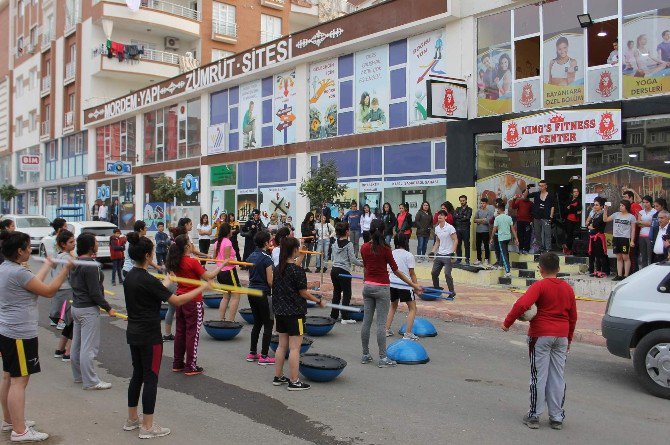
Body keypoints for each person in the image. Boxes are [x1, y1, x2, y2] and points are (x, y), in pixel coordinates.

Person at [122, 232, 210, 439]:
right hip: (149, 336)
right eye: (151, 252)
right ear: (146, 255)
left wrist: (168, 282)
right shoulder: (147, 279)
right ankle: (148, 426)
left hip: (134, 333)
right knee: (150, 378)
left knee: (137, 375)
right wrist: (202, 286)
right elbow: (176, 301)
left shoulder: (131, 278)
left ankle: (132, 419)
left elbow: (153, 294)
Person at [0, 231, 73, 442]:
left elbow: (34, 284)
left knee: (9, 377)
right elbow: (49, 291)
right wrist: (65, 269)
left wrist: (48, 265)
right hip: (20, 334)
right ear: (19, 251)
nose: (30, 250)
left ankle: (11, 421)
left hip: (7, 331)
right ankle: (20, 430)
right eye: (27, 247)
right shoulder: (18, 273)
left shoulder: (7, 268)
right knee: (19, 382)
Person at [502, 252, 577, 431]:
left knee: (539, 376)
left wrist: (507, 323)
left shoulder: (539, 286)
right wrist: (569, 339)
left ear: (540, 269)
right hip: (562, 335)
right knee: (557, 376)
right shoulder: (568, 289)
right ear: (558, 269)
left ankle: (534, 415)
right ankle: (557, 417)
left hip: (541, 335)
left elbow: (521, 305)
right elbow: (573, 317)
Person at [360, 220, 421, 368]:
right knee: (381, 325)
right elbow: (396, 271)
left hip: (367, 287)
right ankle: (382, 358)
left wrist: (366, 281)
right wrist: (412, 284)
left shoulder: (364, 247)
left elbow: (366, 268)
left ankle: (365, 355)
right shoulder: (385, 249)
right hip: (381, 288)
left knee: (366, 322)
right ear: (382, 231)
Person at [272, 237, 326, 390]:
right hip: (295, 313)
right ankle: (294, 381)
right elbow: (303, 293)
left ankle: (278, 376)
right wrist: (318, 301)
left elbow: (291, 270)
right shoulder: (297, 271)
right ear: (294, 250)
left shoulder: (278, 268)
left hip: (280, 312)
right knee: (295, 348)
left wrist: (299, 255)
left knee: (282, 346)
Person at [166, 234, 224, 376]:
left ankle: (178, 363)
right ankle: (191, 366)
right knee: (192, 333)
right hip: (193, 301)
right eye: (191, 243)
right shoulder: (191, 262)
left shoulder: (177, 260)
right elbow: (209, 276)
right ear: (187, 246)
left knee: (181, 332)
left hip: (181, 299)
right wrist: (222, 264)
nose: (193, 246)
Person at [70, 233, 116, 390]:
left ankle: (78, 376)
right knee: (88, 347)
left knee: (77, 345)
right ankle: (90, 381)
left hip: (76, 307)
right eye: (96, 241)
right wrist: (108, 308)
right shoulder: (91, 265)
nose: (97, 243)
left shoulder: (75, 263)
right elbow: (95, 293)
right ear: (91, 247)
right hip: (88, 309)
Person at [245, 231, 275, 366]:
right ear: (266, 243)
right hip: (263, 293)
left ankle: (252, 353)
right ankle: (264, 356)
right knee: (269, 323)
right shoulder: (267, 258)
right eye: (270, 240)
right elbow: (270, 281)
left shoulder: (251, 256)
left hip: (251, 291)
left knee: (257, 322)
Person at [384, 233, 419, 340]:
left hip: (392, 284)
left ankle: (386, 329)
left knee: (393, 306)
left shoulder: (391, 253)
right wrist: (416, 287)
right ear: (406, 242)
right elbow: (412, 273)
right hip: (405, 285)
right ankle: (408, 334)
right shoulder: (409, 255)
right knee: (413, 308)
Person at [330, 222, 363, 324]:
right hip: (344, 271)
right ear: (347, 232)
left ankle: (333, 315)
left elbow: (332, 257)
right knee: (347, 294)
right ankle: (345, 317)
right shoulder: (349, 244)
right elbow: (353, 260)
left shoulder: (335, 243)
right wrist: (363, 264)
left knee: (336, 293)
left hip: (334, 270)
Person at [50, 229, 76, 361]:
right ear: (63, 244)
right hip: (67, 292)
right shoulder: (67, 258)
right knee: (74, 322)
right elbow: (73, 277)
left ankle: (60, 349)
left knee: (69, 323)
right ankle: (68, 353)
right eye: (71, 242)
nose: (74, 244)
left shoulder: (57, 256)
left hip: (58, 292)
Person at [603, 200, 636, 281]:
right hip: (616, 238)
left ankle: (626, 275)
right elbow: (605, 220)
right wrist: (605, 210)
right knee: (618, 257)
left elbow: (633, 229)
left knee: (625, 257)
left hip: (625, 239)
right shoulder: (616, 214)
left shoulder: (631, 217)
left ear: (626, 207)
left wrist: (632, 240)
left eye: (622, 205)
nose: (620, 207)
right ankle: (619, 275)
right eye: (620, 205)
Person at [429, 210, 458, 297]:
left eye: (442, 215)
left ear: (445, 217)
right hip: (439, 254)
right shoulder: (437, 228)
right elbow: (437, 241)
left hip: (448, 255)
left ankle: (452, 292)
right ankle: (437, 290)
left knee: (447, 274)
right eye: (439, 215)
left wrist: (453, 252)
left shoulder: (450, 228)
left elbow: (455, 240)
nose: (439, 216)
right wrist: (432, 251)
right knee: (434, 273)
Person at [212, 223, 237, 321]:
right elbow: (227, 260)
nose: (232, 231)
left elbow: (214, 258)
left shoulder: (217, 242)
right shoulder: (227, 242)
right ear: (227, 231)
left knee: (226, 297)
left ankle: (222, 319)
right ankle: (231, 321)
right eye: (230, 229)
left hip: (220, 272)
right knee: (236, 296)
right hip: (229, 272)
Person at [524, 181, 554, 253]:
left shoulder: (550, 195)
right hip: (537, 217)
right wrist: (527, 189)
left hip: (546, 217)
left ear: (546, 186)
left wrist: (551, 217)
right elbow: (525, 196)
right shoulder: (537, 194)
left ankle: (548, 248)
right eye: (540, 186)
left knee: (547, 233)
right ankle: (540, 247)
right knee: (537, 233)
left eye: (542, 186)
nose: (541, 187)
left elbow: (553, 206)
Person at [491, 202, 519, 278]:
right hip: (508, 238)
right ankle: (500, 265)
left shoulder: (497, 218)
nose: (497, 210)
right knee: (505, 252)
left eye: (497, 209)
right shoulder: (509, 217)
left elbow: (494, 229)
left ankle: (508, 271)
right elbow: (513, 229)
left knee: (503, 254)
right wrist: (516, 239)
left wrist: (491, 238)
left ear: (499, 209)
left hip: (501, 238)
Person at [586, 197, 609, 278]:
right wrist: (589, 226)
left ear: (602, 206)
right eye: (594, 205)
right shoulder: (594, 214)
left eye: (597, 205)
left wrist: (591, 226)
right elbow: (588, 224)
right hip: (593, 236)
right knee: (593, 253)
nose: (595, 206)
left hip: (599, 236)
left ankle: (604, 271)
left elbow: (596, 225)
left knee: (601, 254)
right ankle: (596, 270)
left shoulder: (603, 214)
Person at [636, 196, 657, 269]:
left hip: (650, 235)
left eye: (647, 202)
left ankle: (651, 270)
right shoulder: (641, 212)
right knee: (643, 255)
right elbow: (638, 223)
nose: (645, 204)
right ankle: (643, 270)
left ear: (650, 202)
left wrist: (643, 223)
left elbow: (653, 224)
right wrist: (647, 223)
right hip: (641, 235)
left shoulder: (654, 211)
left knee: (650, 255)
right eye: (643, 202)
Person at [474, 197, 494, 266]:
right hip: (478, 231)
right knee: (478, 245)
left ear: (487, 204)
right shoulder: (478, 211)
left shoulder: (489, 212)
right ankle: (479, 259)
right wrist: (482, 219)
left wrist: (479, 220)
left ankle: (486, 259)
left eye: (484, 203)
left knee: (486, 245)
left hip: (485, 231)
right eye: (481, 203)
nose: (482, 204)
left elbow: (487, 221)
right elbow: (474, 220)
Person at [454, 195, 472, 264]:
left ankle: (467, 259)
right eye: (461, 201)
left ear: (466, 200)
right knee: (458, 244)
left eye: (463, 200)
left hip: (466, 229)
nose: (462, 202)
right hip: (458, 229)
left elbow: (467, 218)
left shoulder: (469, 209)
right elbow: (455, 216)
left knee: (466, 244)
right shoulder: (457, 209)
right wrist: (462, 216)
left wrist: (459, 216)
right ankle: (459, 259)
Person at [563, 188, 582, 255]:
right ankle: (568, 248)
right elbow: (565, 210)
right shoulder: (568, 200)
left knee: (575, 235)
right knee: (569, 235)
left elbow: (579, 209)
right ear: (572, 193)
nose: (576, 193)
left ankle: (574, 250)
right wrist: (574, 209)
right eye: (574, 192)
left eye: (577, 192)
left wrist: (570, 207)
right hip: (569, 219)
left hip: (576, 220)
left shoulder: (580, 200)